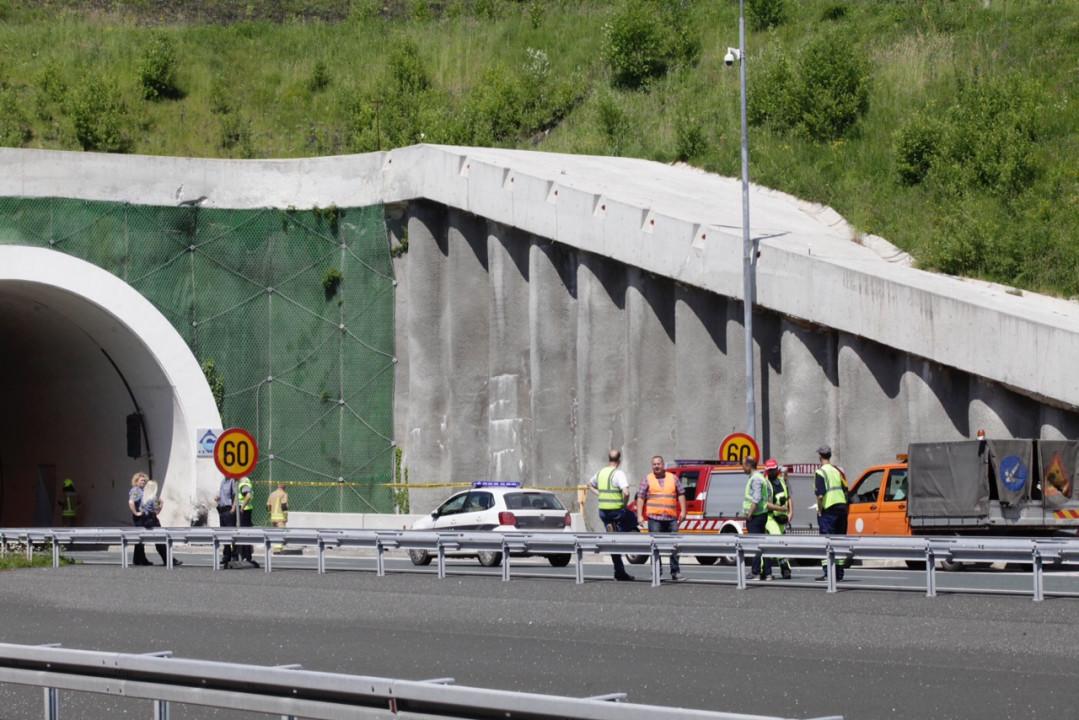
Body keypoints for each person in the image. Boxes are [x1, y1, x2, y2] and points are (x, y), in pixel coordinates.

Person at [636, 455, 686, 582]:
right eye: (654, 464)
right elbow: (640, 497)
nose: (656, 466)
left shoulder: (673, 478)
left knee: (674, 546)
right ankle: (657, 573)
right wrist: (639, 515)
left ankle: (675, 572)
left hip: (671, 518)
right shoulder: (647, 479)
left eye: (658, 464)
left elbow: (681, 494)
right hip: (654, 518)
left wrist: (684, 511)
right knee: (655, 546)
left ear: (663, 465)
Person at [588, 449, 635, 582]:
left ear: (609, 459)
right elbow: (626, 493)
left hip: (604, 512)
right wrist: (624, 506)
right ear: (619, 461)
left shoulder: (601, 472)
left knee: (613, 540)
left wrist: (599, 494)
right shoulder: (618, 473)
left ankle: (619, 571)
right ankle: (622, 536)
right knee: (633, 519)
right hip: (616, 511)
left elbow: (589, 484)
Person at [742, 457, 783, 581]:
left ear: (749, 466)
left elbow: (756, 498)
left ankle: (755, 572)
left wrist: (749, 514)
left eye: (743, 465)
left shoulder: (756, 479)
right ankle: (768, 572)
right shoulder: (759, 478)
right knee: (763, 544)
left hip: (756, 516)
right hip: (761, 515)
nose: (742, 468)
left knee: (756, 545)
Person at [126, 473, 179, 567]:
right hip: (144, 519)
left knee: (141, 539)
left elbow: (155, 510)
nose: (144, 482)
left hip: (147, 518)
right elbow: (131, 502)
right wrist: (136, 512)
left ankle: (139, 559)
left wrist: (159, 506)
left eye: (145, 481)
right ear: (136, 481)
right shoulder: (136, 490)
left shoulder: (146, 492)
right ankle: (167, 559)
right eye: (141, 480)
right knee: (157, 538)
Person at [814, 445, 849, 581]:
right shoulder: (837, 470)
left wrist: (819, 509)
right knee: (840, 540)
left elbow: (820, 495)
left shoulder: (821, 472)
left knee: (826, 540)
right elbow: (846, 488)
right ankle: (839, 574)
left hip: (829, 509)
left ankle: (829, 573)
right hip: (841, 507)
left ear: (820, 457)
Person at [764, 459, 793, 580]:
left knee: (782, 544)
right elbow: (767, 504)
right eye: (769, 470)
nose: (771, 472)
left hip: (782, 518)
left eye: (773, 469)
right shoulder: (766, 484)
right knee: (778, 540)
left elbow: (788, 498)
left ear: (777, 470)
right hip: (770, 518)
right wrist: (781, 509)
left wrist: (790, 513)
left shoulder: (782, 482)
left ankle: (772, 569)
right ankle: (784, 568)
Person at [234, 475, 258, 568]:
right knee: (245, 534)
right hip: (246, 510)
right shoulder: (245, 480)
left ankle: (246, 556)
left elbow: (247, 496)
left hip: (244, 511)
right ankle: (246, 555)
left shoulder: (243, 482)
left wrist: (242, 507)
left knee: (244, 534)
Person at [213, 475, 237, 567]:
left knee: (231, 534)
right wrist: (218, 498)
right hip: (222, 509)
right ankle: (226, 555)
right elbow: (222, 495)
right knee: (224, 534)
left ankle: (234, 555)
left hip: (228, 509)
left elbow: (235, 496)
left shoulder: (232, 481)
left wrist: (233, 508)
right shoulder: (223, 481)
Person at [267, 482, 289, 553]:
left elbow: (268, 505)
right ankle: (278, 549)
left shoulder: (272, 494)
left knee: (276, 533)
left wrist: (270, 513)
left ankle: (276, 548)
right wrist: (285, 517)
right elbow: (284, 506)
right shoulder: (284, 494)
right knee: (281, 533)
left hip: (273, 516)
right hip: (280, 516)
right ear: (284, 487)